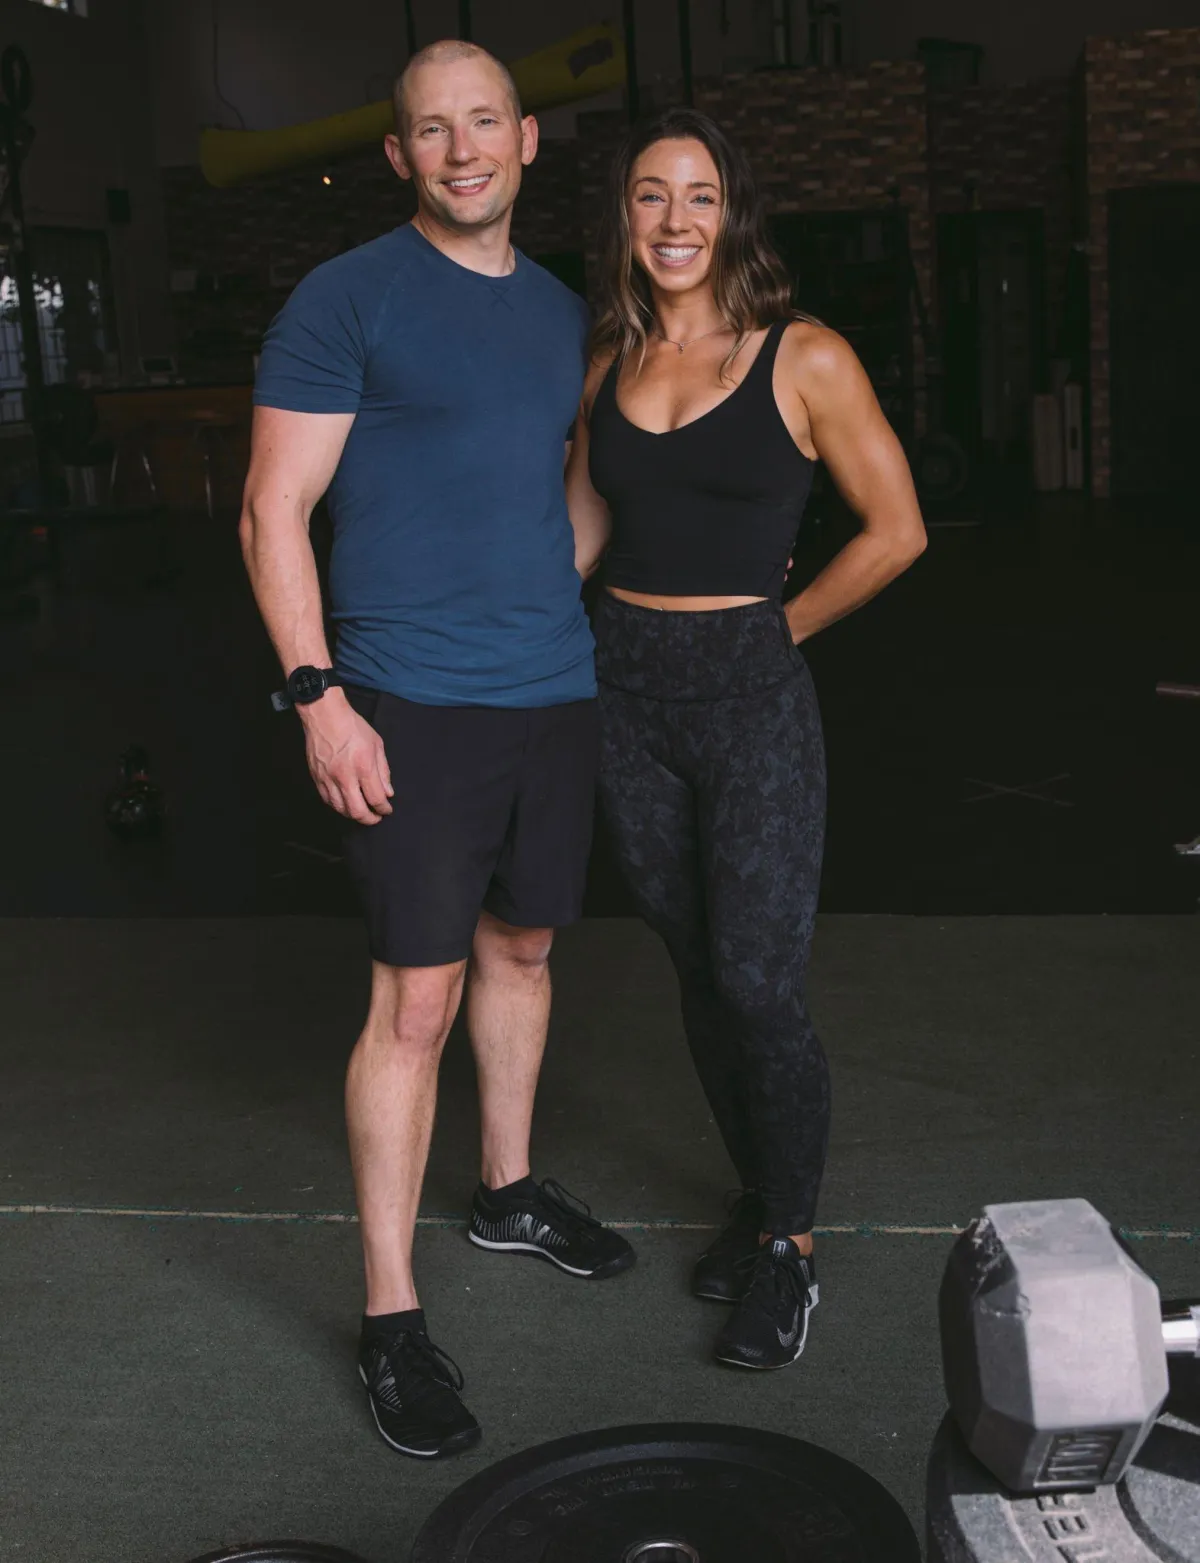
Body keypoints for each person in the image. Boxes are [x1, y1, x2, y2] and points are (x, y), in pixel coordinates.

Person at [240, 41, 634, 1461]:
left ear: (527, 140)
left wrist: (546, 596)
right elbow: (272, 509)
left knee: (524, 946)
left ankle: (510, 1188)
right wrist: (318, 695)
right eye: (431, 130)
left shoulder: (556, 312)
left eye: (485, 123)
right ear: (401, 154)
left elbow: (567, 496)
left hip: (551, 688)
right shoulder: (347, 298)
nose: (462, 149)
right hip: (406, 698)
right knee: (416, 995)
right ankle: (393, 1316)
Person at [567, 108, 926, 1371]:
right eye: (652, 196)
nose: (675, 221)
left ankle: (792, 1252)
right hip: (623, 686)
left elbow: (896, 529)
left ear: (734, 214)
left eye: (701, 197)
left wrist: (784, 631)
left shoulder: (802, 356)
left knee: (761, 982)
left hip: (749, 692)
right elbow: (580, 531)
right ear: (625, 215)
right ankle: (760, 1193)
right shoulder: (604, 353)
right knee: (696, 966)